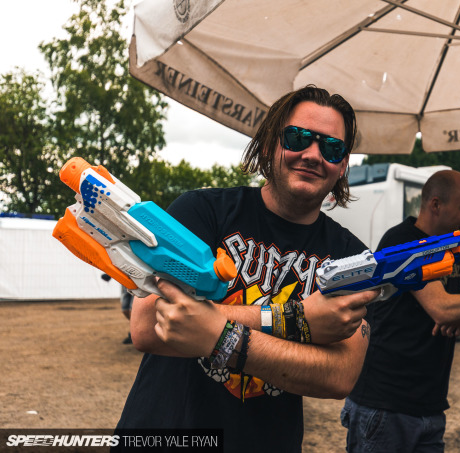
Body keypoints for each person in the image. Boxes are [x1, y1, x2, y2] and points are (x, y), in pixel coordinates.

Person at [115, 86, 378, 452]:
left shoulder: (351, 257)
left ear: (343, 165)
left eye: (332, 147)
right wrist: (294, 321)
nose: (313, 154)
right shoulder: (201, 211)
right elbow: (147, 326)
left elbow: (339, 375)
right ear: (269, 144)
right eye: (297, 138)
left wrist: (214, 331)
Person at [342, 169, 460, 452]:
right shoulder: (403, 242)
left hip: (429, 406)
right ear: (436, 205)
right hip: (385, 405)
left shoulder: (456, 246)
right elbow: (442, 309)